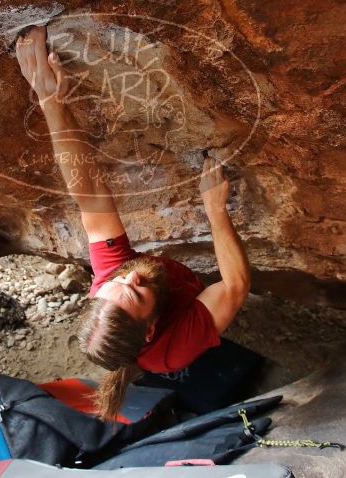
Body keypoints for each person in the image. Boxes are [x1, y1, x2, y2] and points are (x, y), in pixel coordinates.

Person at [15, 26, 251, 420]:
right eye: (137, 293)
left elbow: (87, 191)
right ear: (149, 331)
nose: (132, 277)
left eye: (117, 282)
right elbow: (236, 285)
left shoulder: (111, 282)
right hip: (182, 314)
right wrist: (214, 211)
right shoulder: (173, 345)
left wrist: (49, 98)